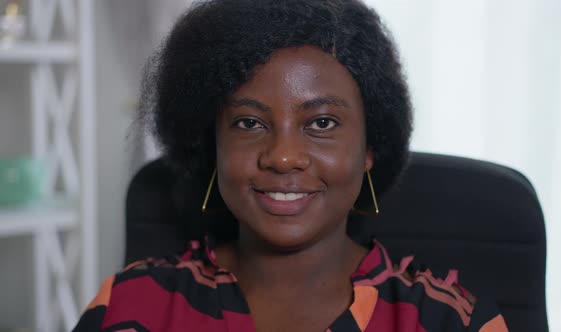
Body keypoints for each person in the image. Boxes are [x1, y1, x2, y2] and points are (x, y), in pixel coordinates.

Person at [74, 0, 509, 331]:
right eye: (249, 122)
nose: (283, 156)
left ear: (369, 148)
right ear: (213, 145)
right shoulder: (129, 308)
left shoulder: (451, 321)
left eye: (321, 122)